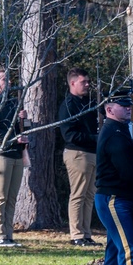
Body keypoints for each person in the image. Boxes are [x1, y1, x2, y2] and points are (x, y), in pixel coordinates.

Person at [94, 90, 133, 265]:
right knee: (129, 249)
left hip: (118, 197)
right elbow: (128, 171)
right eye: (123, 106)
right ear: (109, 109)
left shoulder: (118, 130)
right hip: (115, 198)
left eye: (128, 105)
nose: (128, 108)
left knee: (115, 249)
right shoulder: (114, 133)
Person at [0, 67, 29, 248]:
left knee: (11, 197)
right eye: (4, 80)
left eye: (9, 80)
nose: (8, 83)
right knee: (0, 196)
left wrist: (22, 121)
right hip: (0, 154)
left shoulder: (11, 103)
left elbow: (19, 128)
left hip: (16, 154)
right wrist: (12, 140)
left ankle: (8, 234)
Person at [59, 67, 99, 246]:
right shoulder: (68, 105)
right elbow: (70, 135)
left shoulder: (88, 103)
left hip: (91, 152)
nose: (87, 85)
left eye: (88, 81)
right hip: (77, 153)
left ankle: (86, 233)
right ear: (73, 83)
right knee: (78, 194)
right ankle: (76, 234)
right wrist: (95, 138)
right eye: (84, 82)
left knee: (90, 195)